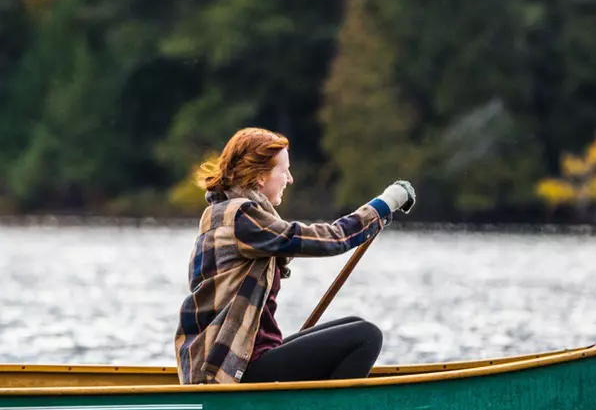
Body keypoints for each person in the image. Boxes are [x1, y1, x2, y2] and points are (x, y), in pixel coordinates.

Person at [175, 127, 416, 386]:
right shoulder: (241, 219)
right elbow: (331, 239)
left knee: (354, 323)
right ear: (259, 177)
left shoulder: (225, 214)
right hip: (230, 370)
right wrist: (384, 204)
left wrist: (375, 221)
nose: (289, 179)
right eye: (284, 171)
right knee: (366, 336)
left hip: (234, 359)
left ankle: (318, 409)